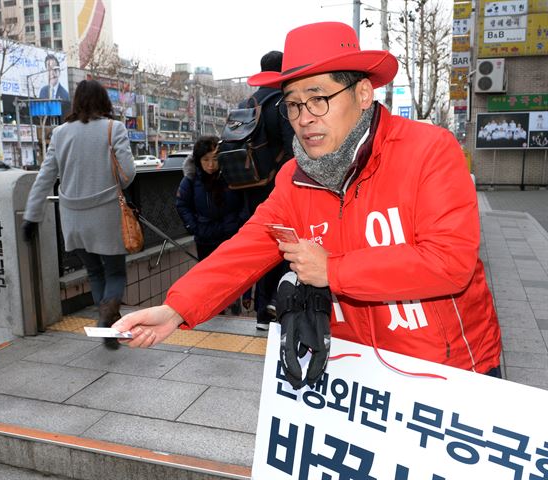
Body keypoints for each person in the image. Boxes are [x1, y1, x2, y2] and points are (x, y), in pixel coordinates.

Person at [114, 22, 502, 377]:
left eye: (318, 98)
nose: (304, 118)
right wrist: (176, 309)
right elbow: (246, 249)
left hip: (450, 368)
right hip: (355, 367)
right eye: (294, 104)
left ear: (363, 93)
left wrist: (334, 270)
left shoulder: (429, 150)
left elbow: (450, 262)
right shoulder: (293, 179)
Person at [22, 79, 135, 349]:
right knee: (116, 272)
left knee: (95, 272)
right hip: (106, 215)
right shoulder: (113, 128)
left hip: (73, 219)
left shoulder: (60, 133)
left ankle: (107, 323)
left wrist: (31, 216)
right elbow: (128, 174)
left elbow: (45, 177)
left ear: (76, 102)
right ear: (104, 102)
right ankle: (108, 316)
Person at [241, 50, 295, 330]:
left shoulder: (247, 102)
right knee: (287, 247)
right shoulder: (282, 103)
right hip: (276, 188)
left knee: (262, 248)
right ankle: (277, 303)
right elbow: (293, 148)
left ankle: (263, 313)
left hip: (248, 186)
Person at [176, 135, 250, 313]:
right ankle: (217, 310)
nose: (210, 165)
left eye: (215, 159)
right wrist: (194, 227)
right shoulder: (191, 180)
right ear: (198, 160)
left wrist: (238, 223)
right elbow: (181, 204)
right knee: (210, 277)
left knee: (232, 274)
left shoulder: (232, 175)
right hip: (205, 237)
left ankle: (234, 303)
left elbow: (246, 201)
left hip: (230, 235)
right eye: (205, 160)